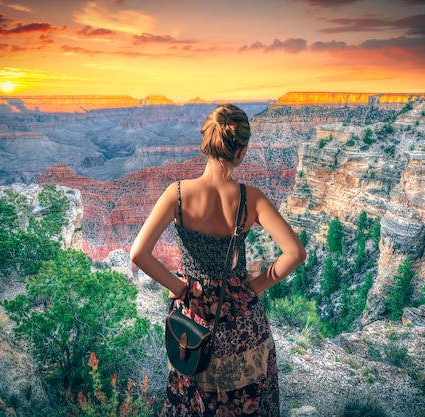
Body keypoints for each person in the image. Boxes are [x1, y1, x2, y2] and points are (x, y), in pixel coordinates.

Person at [130, 103, 306, 416]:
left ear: (206, 145)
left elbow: (139, 254)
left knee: (195, 401)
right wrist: (254, 285)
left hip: (194, 320)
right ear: (241, 152)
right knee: (244, 403)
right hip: (242, 322)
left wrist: (180, 288)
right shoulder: (251, 198)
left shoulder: (178, 194)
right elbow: (295, 253)